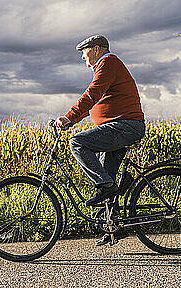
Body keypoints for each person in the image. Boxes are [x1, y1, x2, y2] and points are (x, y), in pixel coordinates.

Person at [56, 35, 145, 245]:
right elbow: (96, 103)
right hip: (117, 126)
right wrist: (72, 120)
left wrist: (68, 116)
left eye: (84, 52)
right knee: (109, 174)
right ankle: (115, 224)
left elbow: (92, 94)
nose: (83, 58)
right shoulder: (105, 67)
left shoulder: (108, 62)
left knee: (77, 143)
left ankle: (105, 186)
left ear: (96, 49)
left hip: (124, 126)